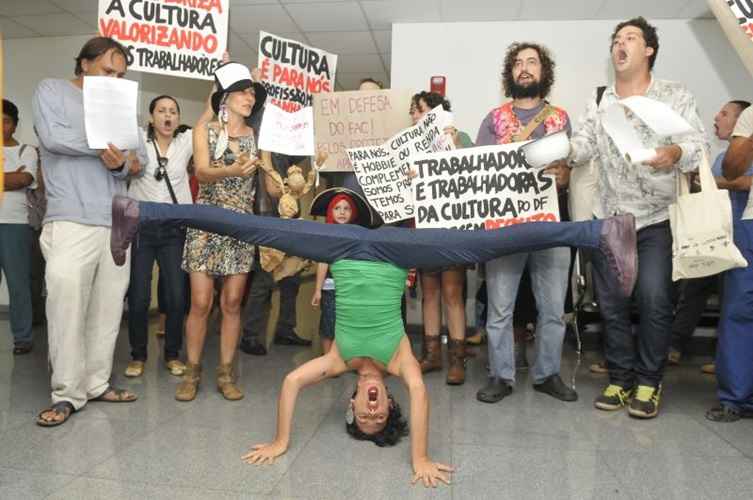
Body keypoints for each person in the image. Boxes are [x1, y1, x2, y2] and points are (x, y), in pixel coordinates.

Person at [111, 190, 636, 488]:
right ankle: (601, 232)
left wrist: (280, 441)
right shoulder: (399, 361)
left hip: (342, 245)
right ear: (388, 403)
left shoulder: (336, 362)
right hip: (396, 251)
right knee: (487, 244)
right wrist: (419, 459)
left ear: (351, 409)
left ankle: (140, 212)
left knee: (247, 227)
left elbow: (292, 383)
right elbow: (424, 397)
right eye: (379, 414)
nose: (370, 409)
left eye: (362, 416)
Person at [569, 17, 708, 419]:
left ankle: (649, 382)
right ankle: (620, 378)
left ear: (648, 50)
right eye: (616, 39)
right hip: (611, 220)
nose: (620, 44)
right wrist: (560, 154)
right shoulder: (600, 100)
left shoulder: (673, 95)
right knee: (611, 304)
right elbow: (584, 145)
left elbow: (696, 142)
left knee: (654, 299)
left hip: (656, 219)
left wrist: (676, 154)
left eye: (630, 38)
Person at [32, 36, 147, 427]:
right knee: (65, 305)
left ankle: (97, 383)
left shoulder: (124, 109)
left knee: (109, 307)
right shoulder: (52, 90)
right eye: (106, 70)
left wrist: (119, 164)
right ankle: (67, 393)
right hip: (70, 218)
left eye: (120, 74)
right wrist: (107, 149)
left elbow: (139, 162)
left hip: (118, 218)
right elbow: (53, 138)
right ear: (84, 64)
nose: (112, 78)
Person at [474, 42, 577, 404]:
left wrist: (564, 177)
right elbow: (478, 170)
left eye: (532, 62)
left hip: (551, 225)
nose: (524, 68)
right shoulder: (494, 119)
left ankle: (548, 373)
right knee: (500, 307)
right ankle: (500, 375)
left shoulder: (561, 118)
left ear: (543, 72)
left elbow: (570, 169)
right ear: (511, 73)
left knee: (553, 308)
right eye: (518, 63)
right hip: (505, 227)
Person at [175, 61, 271, 402]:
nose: (250, 97)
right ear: (225, 97)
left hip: (240, 225)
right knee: (201, 302)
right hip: (206, 223)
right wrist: (231, 169)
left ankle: (226, 373)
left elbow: (268, 183)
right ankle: (192, 372)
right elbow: (201, 172)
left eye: (252, 93)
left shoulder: (256, 135)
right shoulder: (207, 130)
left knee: (232, 303)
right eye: (244, 92)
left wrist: (287, 185)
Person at [669, 100, 752, 375]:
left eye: (725, 113)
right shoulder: (719, 158)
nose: (717, 116)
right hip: (715, 234)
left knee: (735, 301)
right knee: (696, 286)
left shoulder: (742, 155)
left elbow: (743, 183)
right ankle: (676, 346)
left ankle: (726, 362)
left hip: (741, 236)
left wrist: (713, 183)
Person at [124, 95, 194, 378]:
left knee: (177, 296)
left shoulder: (186, 142)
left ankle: (172, 354)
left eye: (173, 112)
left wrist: (222, 76)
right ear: (151, 117)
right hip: (141, 226)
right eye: (162, 111)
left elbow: (212, 114)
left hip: (174, 229)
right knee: (139, 297)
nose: (168, 116)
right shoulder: (138, 140)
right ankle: (138, 355)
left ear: (178, 118)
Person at [411, 91, 474, 385]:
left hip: (452, 228)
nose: (414, 116)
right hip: (424, 228)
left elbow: (474, 172)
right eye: (412, 111)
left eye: (419, 110)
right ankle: (432, 355)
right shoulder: (412, 145)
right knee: (430, 293)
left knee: (452, 292)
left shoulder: (459, 135)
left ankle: (457, 359)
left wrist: (456, 144)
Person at [239, 152, 313, 357]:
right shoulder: (263, 142)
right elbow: (270, 186)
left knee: (292, 276)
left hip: (288, 216)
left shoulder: (286, 142)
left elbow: (299, 156)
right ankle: (250, 336)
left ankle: (285, 329)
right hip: (267, 215)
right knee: (264, 278)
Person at [706, 101, 753, 421]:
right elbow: (732, 170)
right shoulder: (751, 116)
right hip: (749, 221)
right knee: (739, 307)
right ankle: (736, 398)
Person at [310, 188, 375, 354]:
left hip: (352, 287)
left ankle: (348, 356)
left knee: (351, 323)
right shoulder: (327, 235)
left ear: (352, 212)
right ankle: (327, 356)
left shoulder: (357, 234)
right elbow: (323, 262)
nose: (342, 212)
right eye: (337, 208)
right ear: (331, 211)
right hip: (331, 287)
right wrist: (318, 289)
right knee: (329, 322)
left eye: (346, 208)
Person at [1, 99, 37, 355]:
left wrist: (18, 178)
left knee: (18, 284)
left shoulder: (27, 151)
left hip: (15, 225)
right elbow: (14, 180)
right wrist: (9, 177)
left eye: (5, 121)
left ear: (14, 125)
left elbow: (24, 179)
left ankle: (23, 338)